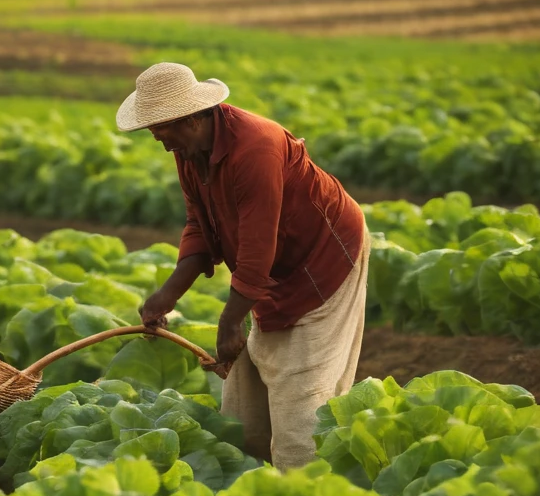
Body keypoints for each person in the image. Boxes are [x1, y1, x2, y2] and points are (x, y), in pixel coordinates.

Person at [116, 61, 370, 470]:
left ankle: (305, 485)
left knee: (299, 385)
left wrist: (230, 322)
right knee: (245, 398)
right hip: (273, 269)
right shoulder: (189, 150)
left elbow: (256, 248)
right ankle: (252, 480)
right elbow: (199, 225)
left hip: (323, 259)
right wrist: (166, 296)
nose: (158, 138)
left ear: (192, 117)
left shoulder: (256, 147)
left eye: (161, 127)